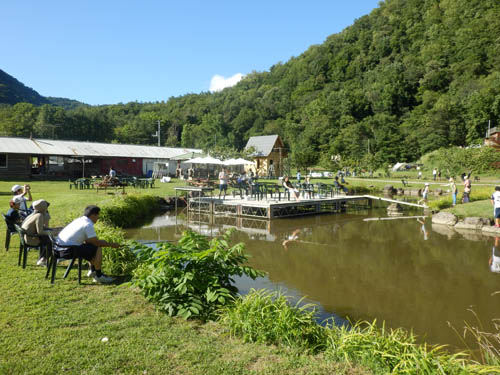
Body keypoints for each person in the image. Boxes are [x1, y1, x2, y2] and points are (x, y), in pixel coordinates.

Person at [55, 205, 120, 284]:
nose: (98, 217)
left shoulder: (79, 220)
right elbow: (96, 243)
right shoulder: (87, 224)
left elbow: (88, 240)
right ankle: (98, 276)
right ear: (93, 215)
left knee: (92, 246)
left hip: (59, 249)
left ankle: (93, 271)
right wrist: (111, 244)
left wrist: (100, 242)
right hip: (68, 250)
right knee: (97, 247)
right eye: (98, 215)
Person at [21, 199, 52, 266]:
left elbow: (40, 228)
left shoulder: (34, 214)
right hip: (31, 239)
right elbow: (40, 232)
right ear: (43, 207)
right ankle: (43, 260)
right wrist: (51, 232)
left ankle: (42, 258)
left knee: (48, 238)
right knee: (52, 241)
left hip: (27, 237)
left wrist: (51, 230)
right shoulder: (39, 216)